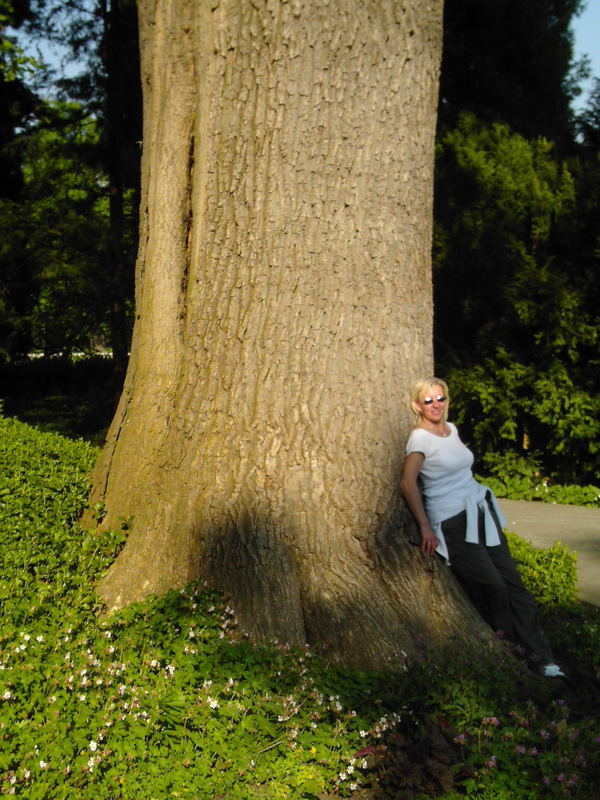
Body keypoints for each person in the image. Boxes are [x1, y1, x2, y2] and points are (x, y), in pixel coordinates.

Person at [399, 376, 564, 678]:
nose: (436, 405)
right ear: (416, 406)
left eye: (440, 398)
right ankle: (512, 652)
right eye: (428, 400)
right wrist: (425, 526)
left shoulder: (452, 430)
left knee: (514, 584)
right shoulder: (420, 438)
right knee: (494, 587)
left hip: (479, 510)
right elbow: (408, 483)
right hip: (451, 520)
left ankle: (543, 657)